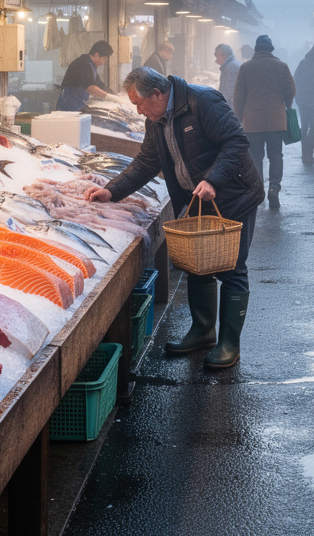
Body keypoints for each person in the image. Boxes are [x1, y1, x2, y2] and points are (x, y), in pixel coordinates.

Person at [85, 67, 264, 369]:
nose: (139, 111)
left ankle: (230, 344)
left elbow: (236, 141)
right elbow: (146, 162)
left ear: (157, 94)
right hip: (196, 199)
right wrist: (111, 191)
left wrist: (213, 181)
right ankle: (203, 331)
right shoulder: (156, 119)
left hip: (234, 196)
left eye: (140, 103)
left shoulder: (202, 101)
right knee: (199, 263)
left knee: (232, 267)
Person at [235, 34, 296, 209]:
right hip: (276, 120)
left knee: (256, 156)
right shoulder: (281, 66)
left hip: (253, 121)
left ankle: (258, 189)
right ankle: (274, 188)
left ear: (256, 49)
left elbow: (238, 95)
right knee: (276, 155)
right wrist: (286, 102)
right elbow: (290, 89)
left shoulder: (245, 68)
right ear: (271, 49)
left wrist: (239, 116)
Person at [57, 40, 115, 111]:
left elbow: (100, 85)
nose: (103, 63)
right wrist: (109, 97)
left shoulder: (91, 66)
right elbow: (91, 88)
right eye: (104, 59)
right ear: (96, 55)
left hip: (78, 103)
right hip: (69, 104)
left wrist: (115, 96)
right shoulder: (83, 64)